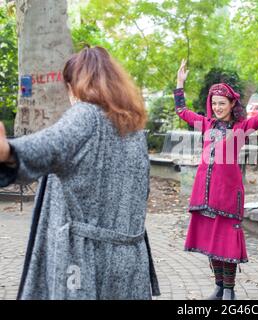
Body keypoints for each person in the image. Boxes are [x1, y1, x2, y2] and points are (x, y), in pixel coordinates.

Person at [0, 46, 160, 300]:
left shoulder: (86, 115)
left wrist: (8, 151)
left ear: (76, 84)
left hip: (83, 262)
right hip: (129, 262)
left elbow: (51, 145)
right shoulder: (134, 130)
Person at [174, 59, 258, 300]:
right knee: (212, 242)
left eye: (222, 103)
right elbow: (182, 112)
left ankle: (230, 290)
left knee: (226, 242)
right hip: (205, 192)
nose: (217, 107)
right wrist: (180, 84)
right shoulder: (206, 124)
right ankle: (219, 287)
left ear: (232, 104)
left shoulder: (241, 127)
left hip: (228, 194)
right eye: (214, 103)